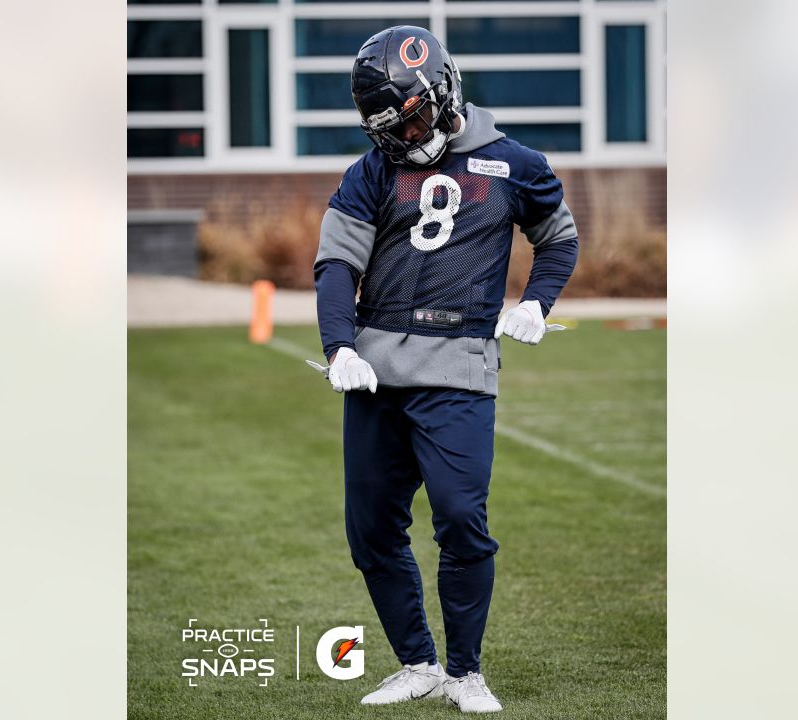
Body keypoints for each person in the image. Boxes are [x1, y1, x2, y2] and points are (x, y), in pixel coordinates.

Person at [312, 25, 579, 714]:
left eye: (416, 117)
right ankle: (417, 663)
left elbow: (559, 238)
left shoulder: (513, 163)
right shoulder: (372, 170)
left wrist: (538, 303)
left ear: (445, 89)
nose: (407, 136)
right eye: (391, 126)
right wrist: (339, 345)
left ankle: (465, 671)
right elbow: (337, 264)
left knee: (461, 520)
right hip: (377, 368)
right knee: (370, 528)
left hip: (459, 366)